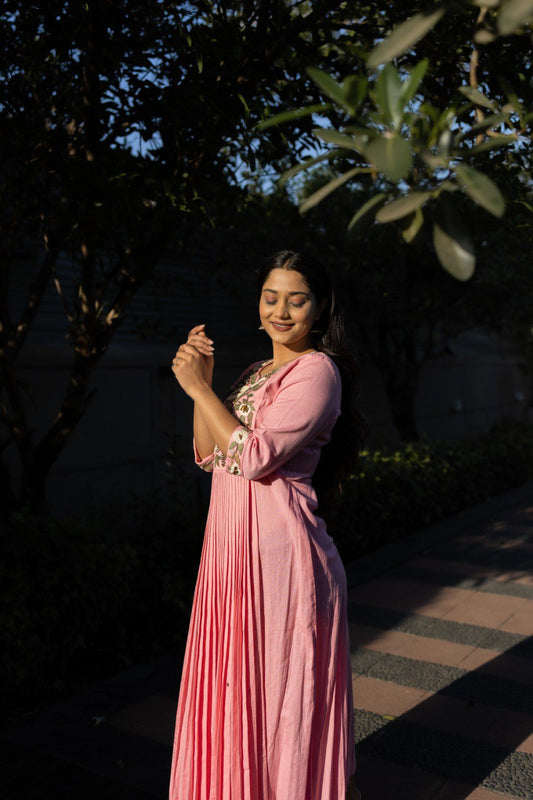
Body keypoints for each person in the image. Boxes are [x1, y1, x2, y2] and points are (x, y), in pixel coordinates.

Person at [169, 250, 365, 800]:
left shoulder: (318, 372)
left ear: (320, 308)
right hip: (231, 557)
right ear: (258, 304)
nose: (281, 310)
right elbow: (210, 456)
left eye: (297, 299)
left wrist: (200, 390)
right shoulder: (255, 374)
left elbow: (254, 457)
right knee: (236, 696)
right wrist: (204, 384)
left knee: (279, 700)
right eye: (271, 297)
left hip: (283, 563)